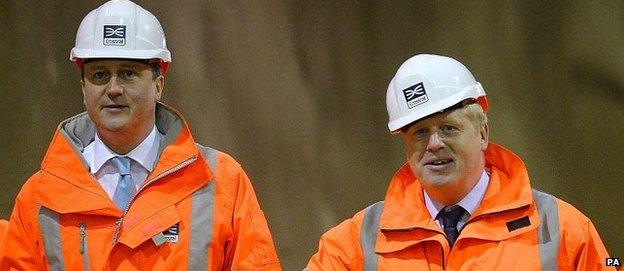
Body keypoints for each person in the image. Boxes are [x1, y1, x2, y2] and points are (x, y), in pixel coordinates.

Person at [0, 1, 281, 270]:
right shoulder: (40, 197)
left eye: (128, 74)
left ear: (158, 85)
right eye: (99, 75)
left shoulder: (221, 182)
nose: (113, 89)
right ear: (83, 88)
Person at [305, 54, 614, 270]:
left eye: (448, 128)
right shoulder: (354, 243)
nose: (435, 144)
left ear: (482, 133)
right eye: (420, 132)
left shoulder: (561, 229)